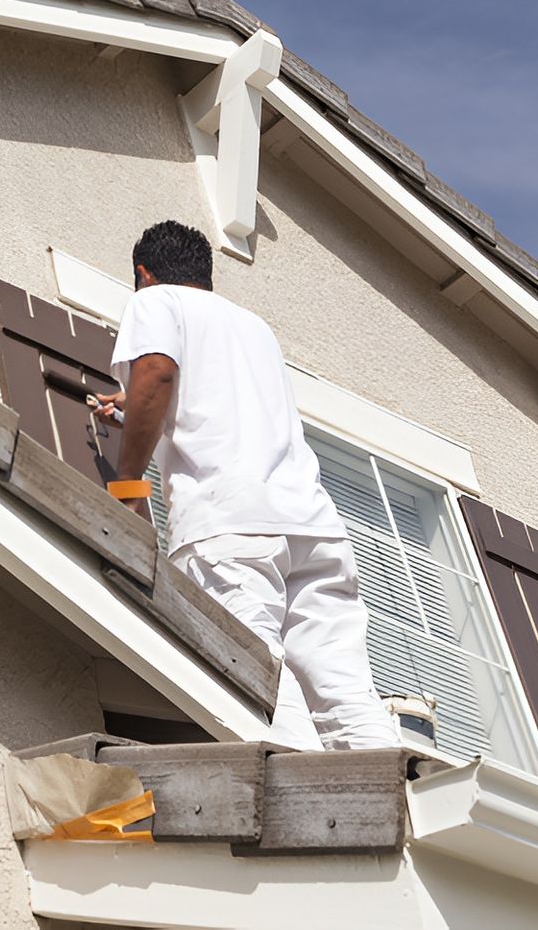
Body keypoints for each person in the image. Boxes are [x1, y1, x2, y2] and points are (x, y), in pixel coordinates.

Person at [91, 220, 398, 751]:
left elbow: (159, 374)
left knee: (258, 682)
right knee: (345, 694)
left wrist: (127, 482)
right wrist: (140, 412)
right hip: (312, 528)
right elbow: (217, 403)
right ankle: (398, 810)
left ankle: (305, 812)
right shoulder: (254, 327)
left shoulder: (153, 301)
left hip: (232, 528)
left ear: (145, 274)